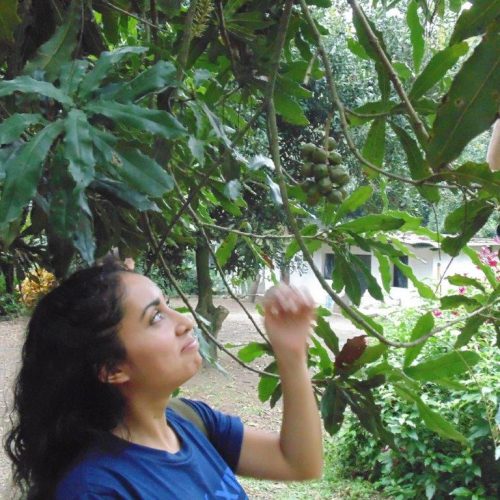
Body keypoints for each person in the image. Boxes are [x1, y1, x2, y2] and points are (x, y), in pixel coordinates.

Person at [4, 258, 323, 499]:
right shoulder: (98, 488)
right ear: (112, 369)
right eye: (155, 317)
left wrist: (291, 354)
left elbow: (297, 462)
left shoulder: (190, 420)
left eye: (168, 306)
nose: (185, 321)